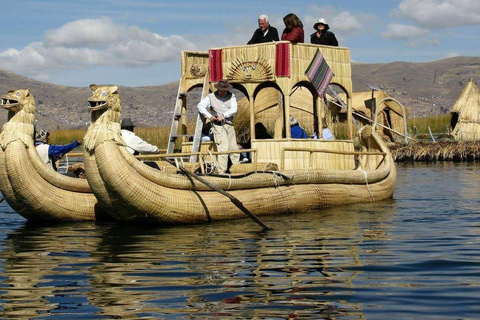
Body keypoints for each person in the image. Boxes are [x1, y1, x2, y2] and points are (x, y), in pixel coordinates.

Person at [197, 79, 239, 174]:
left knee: (234, 148)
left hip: (229, 124)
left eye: (224, 91)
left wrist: (224, 115)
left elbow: (234, 109)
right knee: (223, 148)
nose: (223, 92)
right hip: (218, 126)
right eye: (221, 90)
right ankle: (221, 171)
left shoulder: (232, 96)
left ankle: (237, 169)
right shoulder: (211, 97)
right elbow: (200, 106)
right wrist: (210, 116)